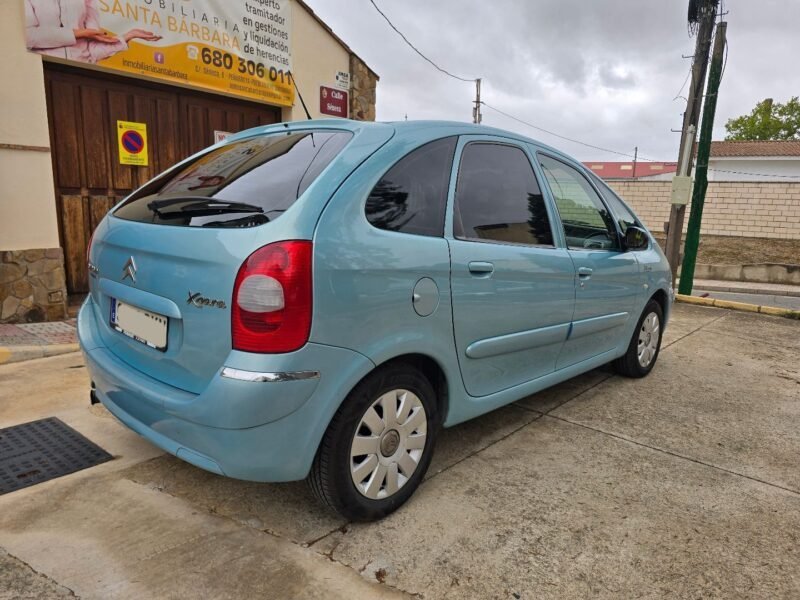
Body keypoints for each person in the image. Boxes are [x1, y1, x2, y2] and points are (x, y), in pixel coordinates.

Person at [25, 0, 161, 64]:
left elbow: (92, 51)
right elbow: (29, 36)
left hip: (84, 72)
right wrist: (79, 33)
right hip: (45, 70)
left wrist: (127, 36)